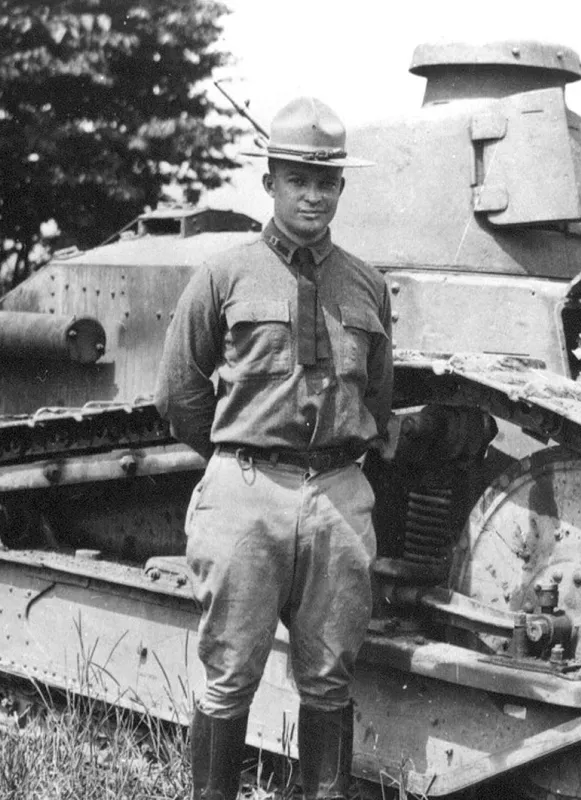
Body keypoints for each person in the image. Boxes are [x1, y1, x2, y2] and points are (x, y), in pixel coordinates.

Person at [154, 96, 393, 800]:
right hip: (247, 490)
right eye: (298, 180)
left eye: (327, 182)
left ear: (341, 188)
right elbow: (179, 392)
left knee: (329, 676)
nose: (313, 195)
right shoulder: (223, 275)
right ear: (270, 183)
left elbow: (376, 399)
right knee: (230, 672)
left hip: (338, 498)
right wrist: (240, 461)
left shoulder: (367, 284)